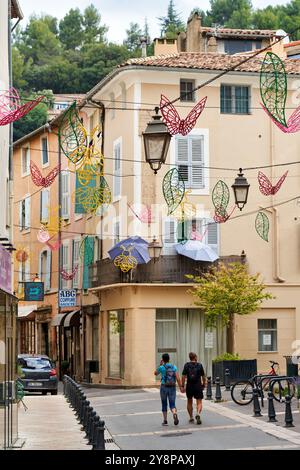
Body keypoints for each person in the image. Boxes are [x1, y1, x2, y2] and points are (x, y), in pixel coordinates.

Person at [154, 353, 182, 426]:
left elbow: (155, 373)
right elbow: (178, 378)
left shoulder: (162, 367)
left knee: (164, 403)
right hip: (172, 387)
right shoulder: (173, 367)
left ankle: (165, 420)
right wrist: (181, 387)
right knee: (172, 404)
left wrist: (160, 365)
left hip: (164, 386)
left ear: (163, 359)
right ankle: (174, 413)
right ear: (169, 359)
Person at [181, 352, 206, 425]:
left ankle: (191, 417)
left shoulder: (186, 365)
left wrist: (182, 386)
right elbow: (203, 377)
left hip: (189, 386)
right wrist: (204, 384)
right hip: (198, 385)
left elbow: (183, 376)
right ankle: (198, 413)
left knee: (189, 401)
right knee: (199, 401)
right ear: (195, 357)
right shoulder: (199, 365)